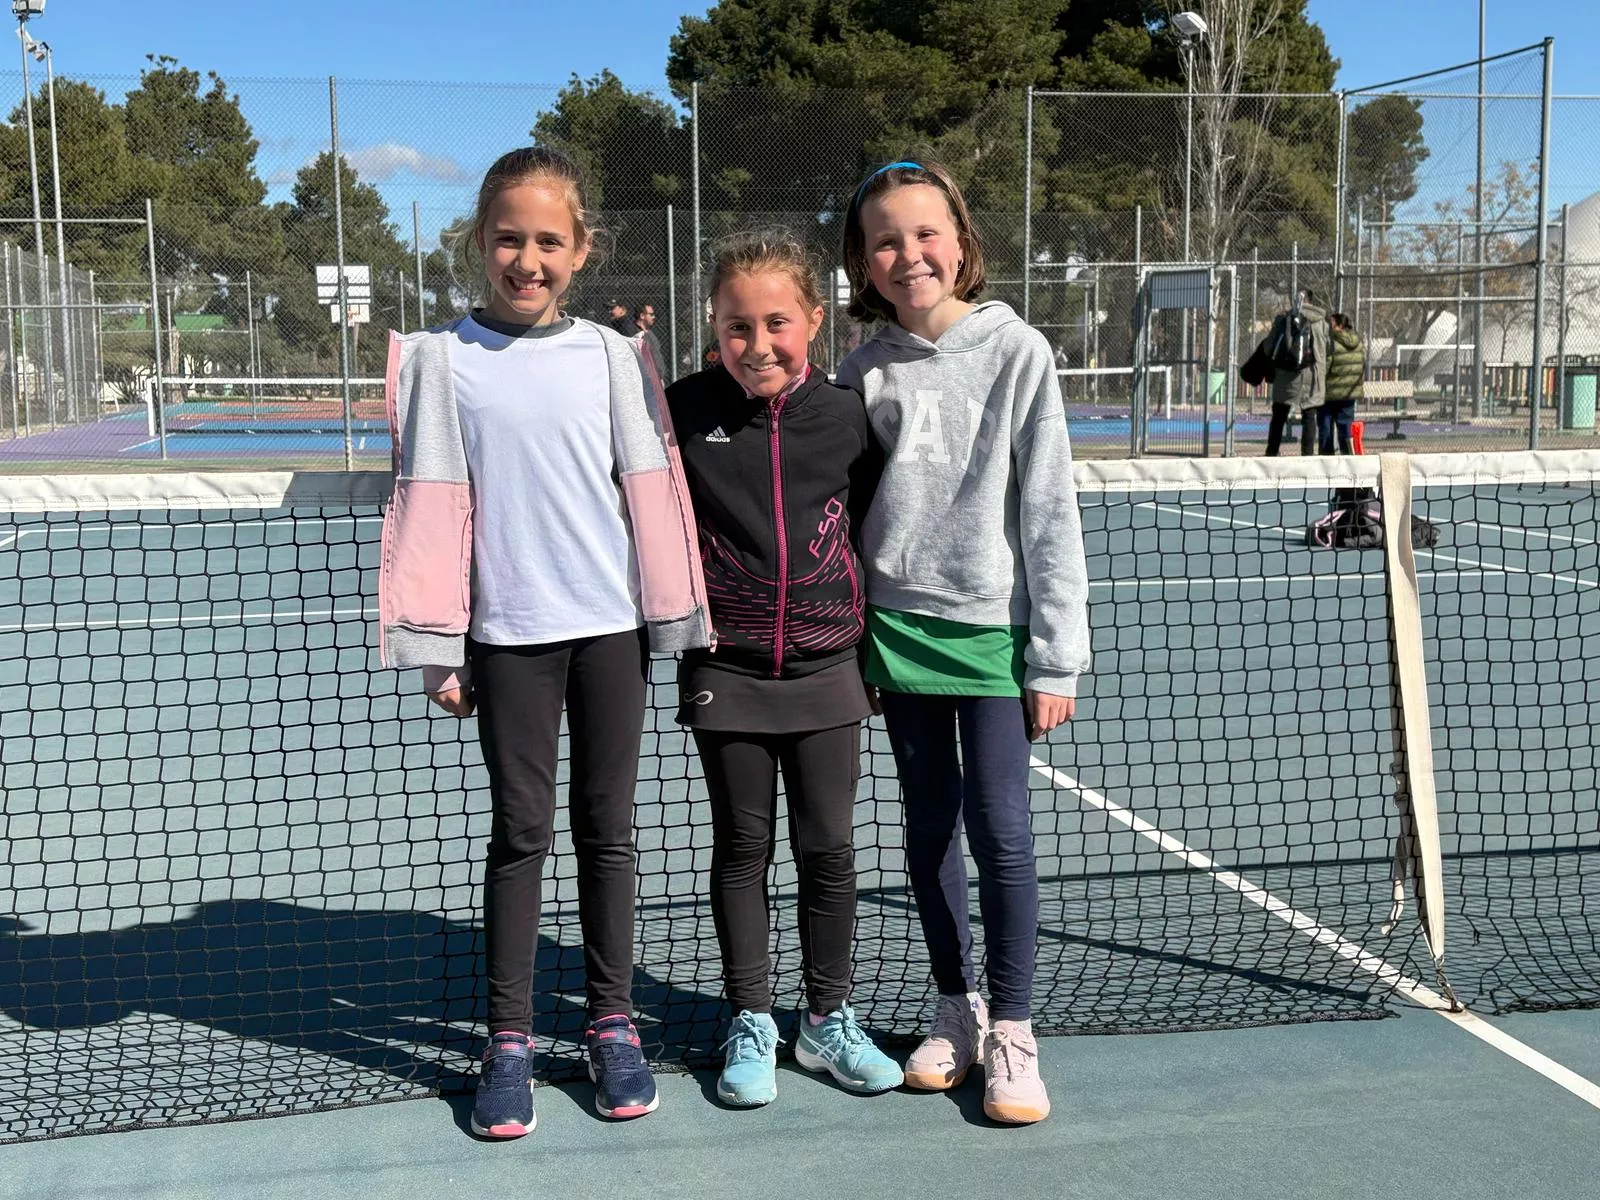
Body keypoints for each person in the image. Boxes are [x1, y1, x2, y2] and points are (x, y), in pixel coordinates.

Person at [378, 146, 711, 1139]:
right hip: (507, 642)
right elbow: (434, 502)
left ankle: (611, 1024)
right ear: (480, 242)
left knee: (609, 833)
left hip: (608, 635)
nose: (528, 258)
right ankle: (510, 1040)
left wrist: (673, 621)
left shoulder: (610, 357)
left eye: (548, 241)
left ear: (582, 251)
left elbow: (652, 490)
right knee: (522, 836)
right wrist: (443, 645)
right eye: (509, 238)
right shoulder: (444, 360)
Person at [836, 161, 1091, 1125]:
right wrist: (852, 639)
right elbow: (847, 512)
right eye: (885, 240)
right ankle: (957, 1007)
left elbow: (1050, 509)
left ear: (961, 237)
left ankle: (1017, 1029)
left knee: (1004, 832)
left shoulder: (1018, 351)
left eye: (925, 232)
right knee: (926, 830)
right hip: (896, 637)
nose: (908, 254)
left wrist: (1054, 655)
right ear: (863, 260)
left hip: (992, 637)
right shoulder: (863, 370)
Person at [665, 229, 899, 1107]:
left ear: (814, 320)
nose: (757, 345)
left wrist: (868, 643)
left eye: (776, 323)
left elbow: (873, 530)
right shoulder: (681, 411)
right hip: (726, 669)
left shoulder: (846, 415)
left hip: (829, 666)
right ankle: (752, 1017)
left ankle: (827, 1019)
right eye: (736, 327)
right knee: (743, 849)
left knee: (830, 851)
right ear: (712, 326)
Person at [1262, 288, 1328, 456]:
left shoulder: (1284, 319)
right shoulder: (1320, 322)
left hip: (1286, 373)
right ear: (1311, 301)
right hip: (1312, 375)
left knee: (1279, 414)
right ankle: (1307, 455)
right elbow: (1326, 349)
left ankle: (1272, 451)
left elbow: (1269, 345)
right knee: (1309, 415)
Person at [1322, 312, 1364, 455]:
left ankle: (1326, 456)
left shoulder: (1332, 342)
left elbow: (1325, 367)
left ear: (1340, 325)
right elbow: (1361, 364)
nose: (1329, 326)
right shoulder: (1358, 342)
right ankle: (1347, 455)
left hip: (1331, 392)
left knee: (1325, 423)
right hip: (1349, 393)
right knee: (1345, 426)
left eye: (1332, 323)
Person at [634, 301, 668, 382]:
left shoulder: (650, 333)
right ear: (642, 316)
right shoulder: (635, 334)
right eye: (651, 314)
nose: (654, 317)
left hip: (657, 378)